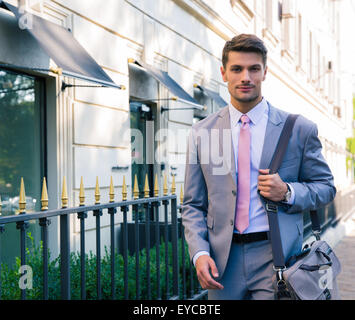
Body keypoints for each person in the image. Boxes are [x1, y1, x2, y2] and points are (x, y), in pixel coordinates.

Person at [181, 34, 336, 300]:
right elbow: (193, 204)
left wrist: (287, 192)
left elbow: (326, 188)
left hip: (277, 257)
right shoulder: (202, 132)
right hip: (222, 261)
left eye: (254, 69)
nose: (246, 77)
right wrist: (199, 252)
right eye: (237, 69)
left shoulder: (298, 129)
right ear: (223, 73)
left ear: (265, 72)